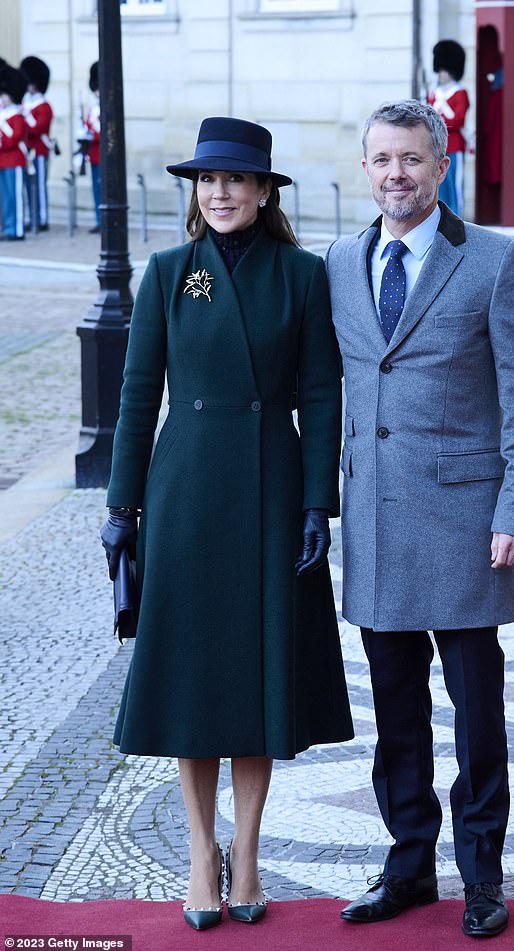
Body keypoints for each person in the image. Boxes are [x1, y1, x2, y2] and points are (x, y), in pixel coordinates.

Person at [100, 116, 353, 931]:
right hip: (186, 494)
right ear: (195, 191)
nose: (220, 194)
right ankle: (199, 852)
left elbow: (321, 394)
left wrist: (319, 502)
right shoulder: (168, 273)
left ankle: (246, 853)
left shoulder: (303, 275)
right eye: (208, 181)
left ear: (264, 191)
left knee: (256, 676)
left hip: (272, 490)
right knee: (194, 680)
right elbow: (138, 398)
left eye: (236, 181)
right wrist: (119, 506)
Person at [325, 100, 514, 939]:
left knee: (475, 711)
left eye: (412, 160)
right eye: (382, 159)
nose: (397, 175)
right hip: (377, 525)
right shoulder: (341, 262)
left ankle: (483, 873)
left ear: (441, 163)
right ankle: (410, 863)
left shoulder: (495, 262)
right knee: (394, 714)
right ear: (365, 167)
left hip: (467, 526)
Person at [428, 40, 469, 217]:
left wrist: (442, 107)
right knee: (439, 187)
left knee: (455, 187)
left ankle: (457, 219)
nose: (441, 75)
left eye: (444, 71)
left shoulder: (460, 93)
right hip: (438, 148)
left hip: (455, 147)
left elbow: (457, 120)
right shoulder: (434, 93)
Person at [21, 55, 54, 232]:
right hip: (27, 151)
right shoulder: (26, 103)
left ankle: (42, 218)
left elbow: (37, 128)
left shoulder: (44, 106)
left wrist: (24, 119)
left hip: (39, 150)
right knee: (28, 186)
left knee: (39, 185)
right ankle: (31, 216)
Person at [0, 65, 27, 241]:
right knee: (5, 198)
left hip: (15, 160)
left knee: (15, 196)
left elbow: (16, 137)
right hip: (2, 160)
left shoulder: (17, 115)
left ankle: (17, 229)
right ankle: (8, 226)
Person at [84, 61, 101, 233]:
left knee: (103, 188)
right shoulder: (93, 108)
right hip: (94, 154)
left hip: (104, 154)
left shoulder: (106, 108)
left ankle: (104, 220)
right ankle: (99, 219)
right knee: (96, 188)